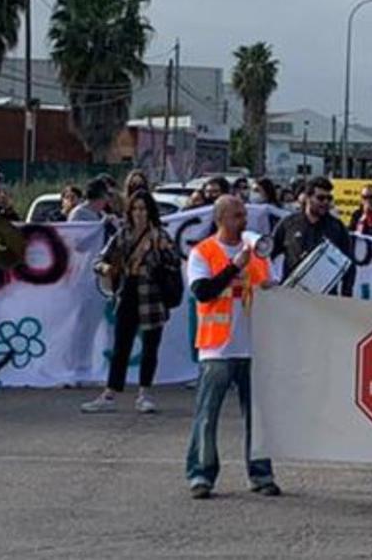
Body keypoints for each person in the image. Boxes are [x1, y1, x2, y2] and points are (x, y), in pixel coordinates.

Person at [184, 195, 281, 499]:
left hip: (254, 346)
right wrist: (232, 267)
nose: (244, 222)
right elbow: (203, 292)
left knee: (258, 417)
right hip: (218, 349)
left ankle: (261, 474)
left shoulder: (257, 253)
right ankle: (201, 474)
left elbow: (271, 288)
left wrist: (269, 287)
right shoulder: (204, 253)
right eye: (237, 216)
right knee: (207, 415)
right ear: (220, 219)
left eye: (244, 215)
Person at [79, 191, 179, 414]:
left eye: (143, 209)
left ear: (149, 211)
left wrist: (159, 260)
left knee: (150, 347)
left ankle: (145, 393)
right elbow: (100, 260)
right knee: (121, 347)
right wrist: (107, 268)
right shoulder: (123, 235)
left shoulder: (159, 236)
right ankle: (110, 393)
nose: (139, 213)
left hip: (152, 295)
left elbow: (173, 262)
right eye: (135, 209)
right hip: (128, 292)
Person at [270, 176, 355, 296]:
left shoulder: (337, 227)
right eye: (320, 198)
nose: (325, 202)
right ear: (308, 198)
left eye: (329, 198)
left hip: (326, 298)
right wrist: (270, 281)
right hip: (292, 296)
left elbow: (349, 265)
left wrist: (346, 295)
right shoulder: (288, 224)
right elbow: (268, 255)